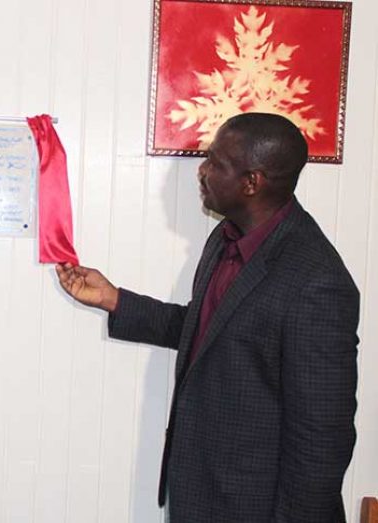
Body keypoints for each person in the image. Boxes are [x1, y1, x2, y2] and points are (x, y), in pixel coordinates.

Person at [56, 113, 359, 523]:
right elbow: (212, 334)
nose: (201, 171)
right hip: (202, 495)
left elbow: (322, 439)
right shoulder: (227, 237)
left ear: (251, 182)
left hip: (256, 509)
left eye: (216, 163)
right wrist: (115, 300)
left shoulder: (316, 281)